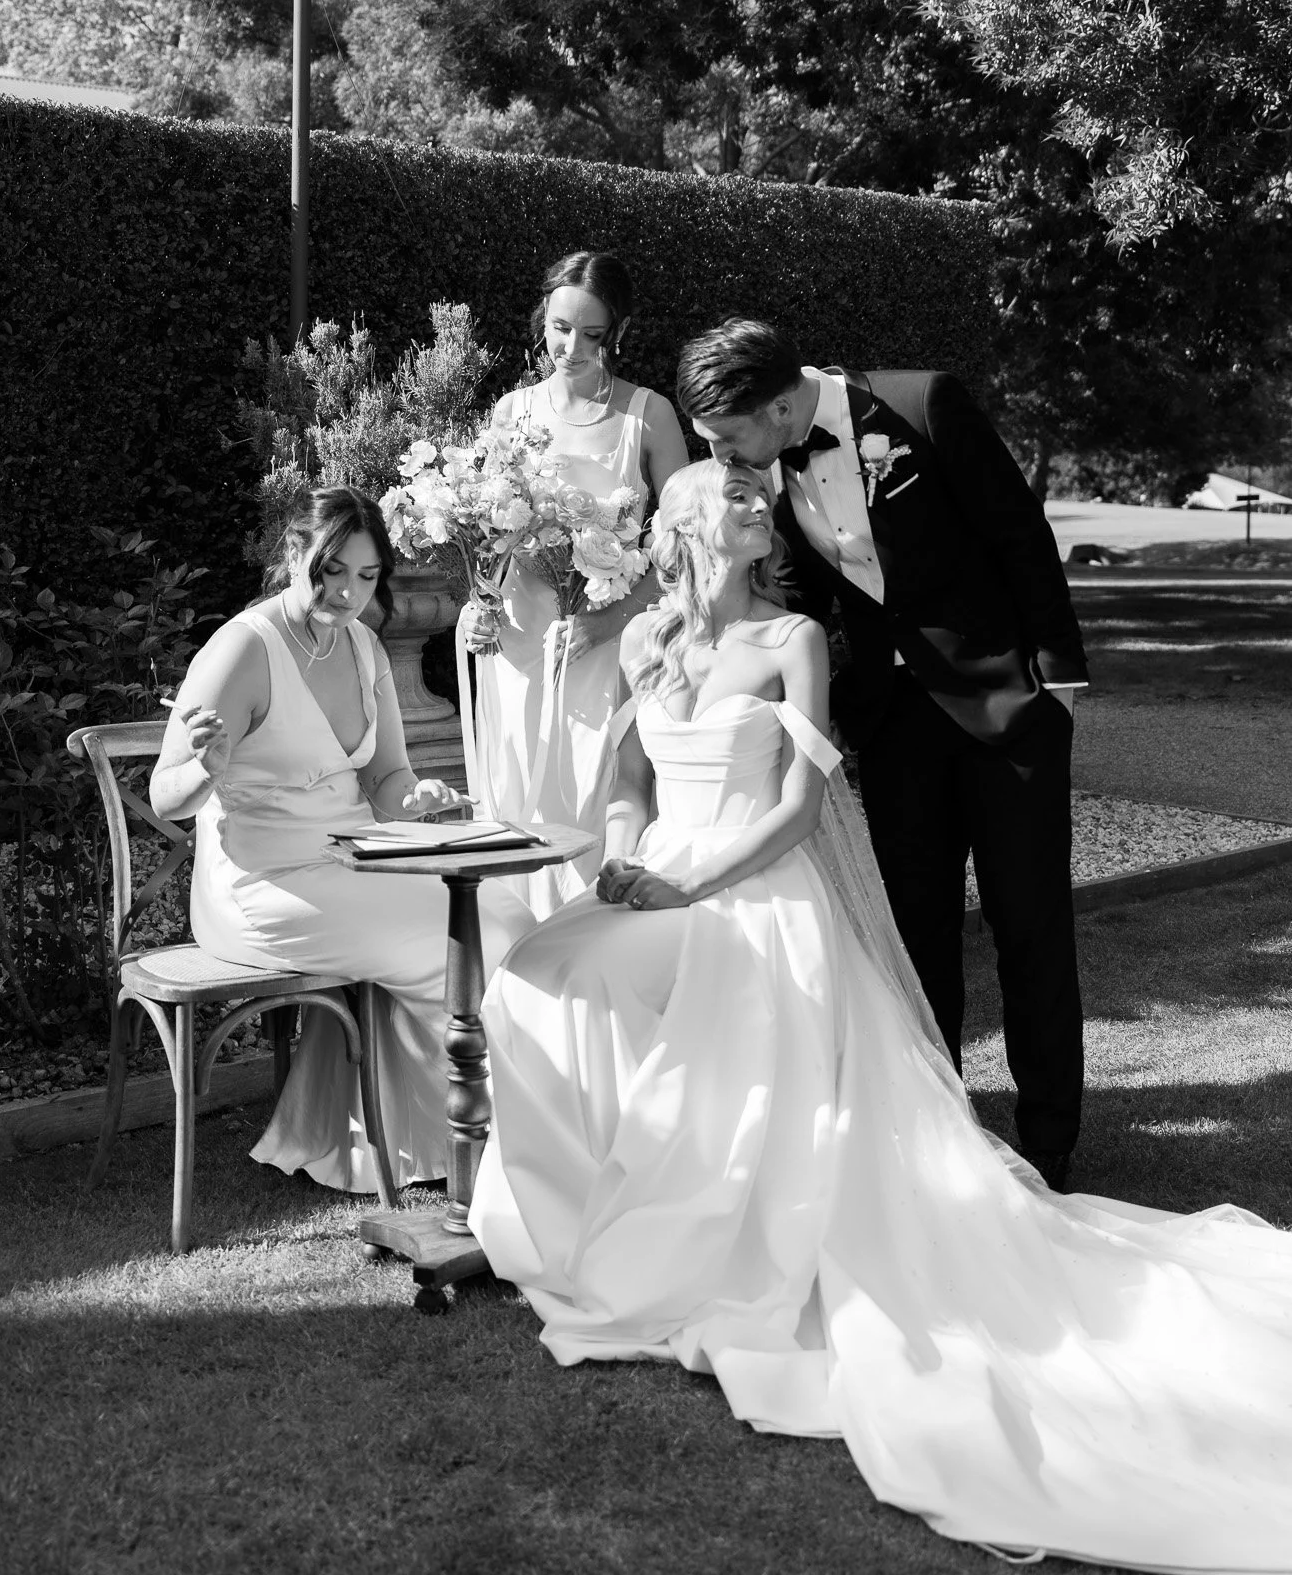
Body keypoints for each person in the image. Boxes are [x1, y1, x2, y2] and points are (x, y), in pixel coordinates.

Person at [470, 462, 1292, 1573]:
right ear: (680, 524)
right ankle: (580, 1200)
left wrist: (690, 882)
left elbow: (799, 805)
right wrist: (623, 856)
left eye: (759, 497)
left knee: (677, 990)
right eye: (733, 494)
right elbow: (626, 783)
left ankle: (696, 1220)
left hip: (751, 886)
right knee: (536, 970)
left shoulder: (792, 638)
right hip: (655, 874)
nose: (758, 505)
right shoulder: (648, 639)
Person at [675, 319, 1087, 1192]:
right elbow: (800, 590)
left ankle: (1050, 1137)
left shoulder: (921, 403)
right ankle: (940, 1126)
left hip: (1004, 703)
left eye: (725, 436)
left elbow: (1017, 530)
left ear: (779, 407)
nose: (717, 455)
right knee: (915, 930)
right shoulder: (765, 467)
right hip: (892, 724)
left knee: (1029, 924)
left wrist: (1055, 680)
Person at [151, 484, 533, 1195]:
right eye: (332, 571)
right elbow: (164, 794)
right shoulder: (241, 650)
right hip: (265, 882)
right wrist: (206, 769)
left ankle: (462, 1136)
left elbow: (387, 777)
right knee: (457, 945)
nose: (349, 593)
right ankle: (499, 1145)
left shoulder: (362, 645)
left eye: (365, 575)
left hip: (357, 862)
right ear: (295, 552)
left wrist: (417, 799)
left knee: (505, 912)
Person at [463, 250, 688, 918]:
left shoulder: (649, 416)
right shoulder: (511, 411)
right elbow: (487, 531)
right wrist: (479, 602)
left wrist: (609, 622)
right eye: (560, 329)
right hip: (518, 641)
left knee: (595, 785)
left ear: (619, 331)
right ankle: (511, 938)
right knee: (517, 784)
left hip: (608, 637)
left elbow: (684, 546)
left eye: (592, 334)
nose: (571, 348)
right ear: (543, 319)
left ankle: (592, 938)